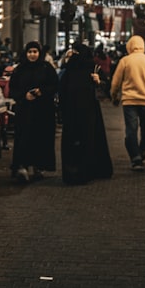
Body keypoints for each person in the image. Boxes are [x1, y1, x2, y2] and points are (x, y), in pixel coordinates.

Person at [57, 44, 113, 185]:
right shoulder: (70, 70)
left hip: (83, 111)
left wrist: (98, 81)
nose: (75, 55)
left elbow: (106, 87)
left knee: (84, 140)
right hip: (81, 111)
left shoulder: (92, 69)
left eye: (77, 52)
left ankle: (82, 171)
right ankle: (78, 172)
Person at [110, 34, 145, 171]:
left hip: (130, 101)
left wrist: (114, 96)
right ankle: (143, 149)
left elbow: (115, 82)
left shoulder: (125, 61)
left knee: (131, 130)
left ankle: (135, 158)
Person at [8, 40, 57, 182]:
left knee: (41, 138)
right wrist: (24, 95)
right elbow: (13, 89)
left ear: (39, 53)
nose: (32, 55)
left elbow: (54, 85)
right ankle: (22, 166)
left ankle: (38, 167)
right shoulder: (20, 69)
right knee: (24, 137)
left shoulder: (47, 68)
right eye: (30, 52)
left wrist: (42, 91)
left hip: (43, 110)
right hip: (25, 110)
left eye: (35, 52)